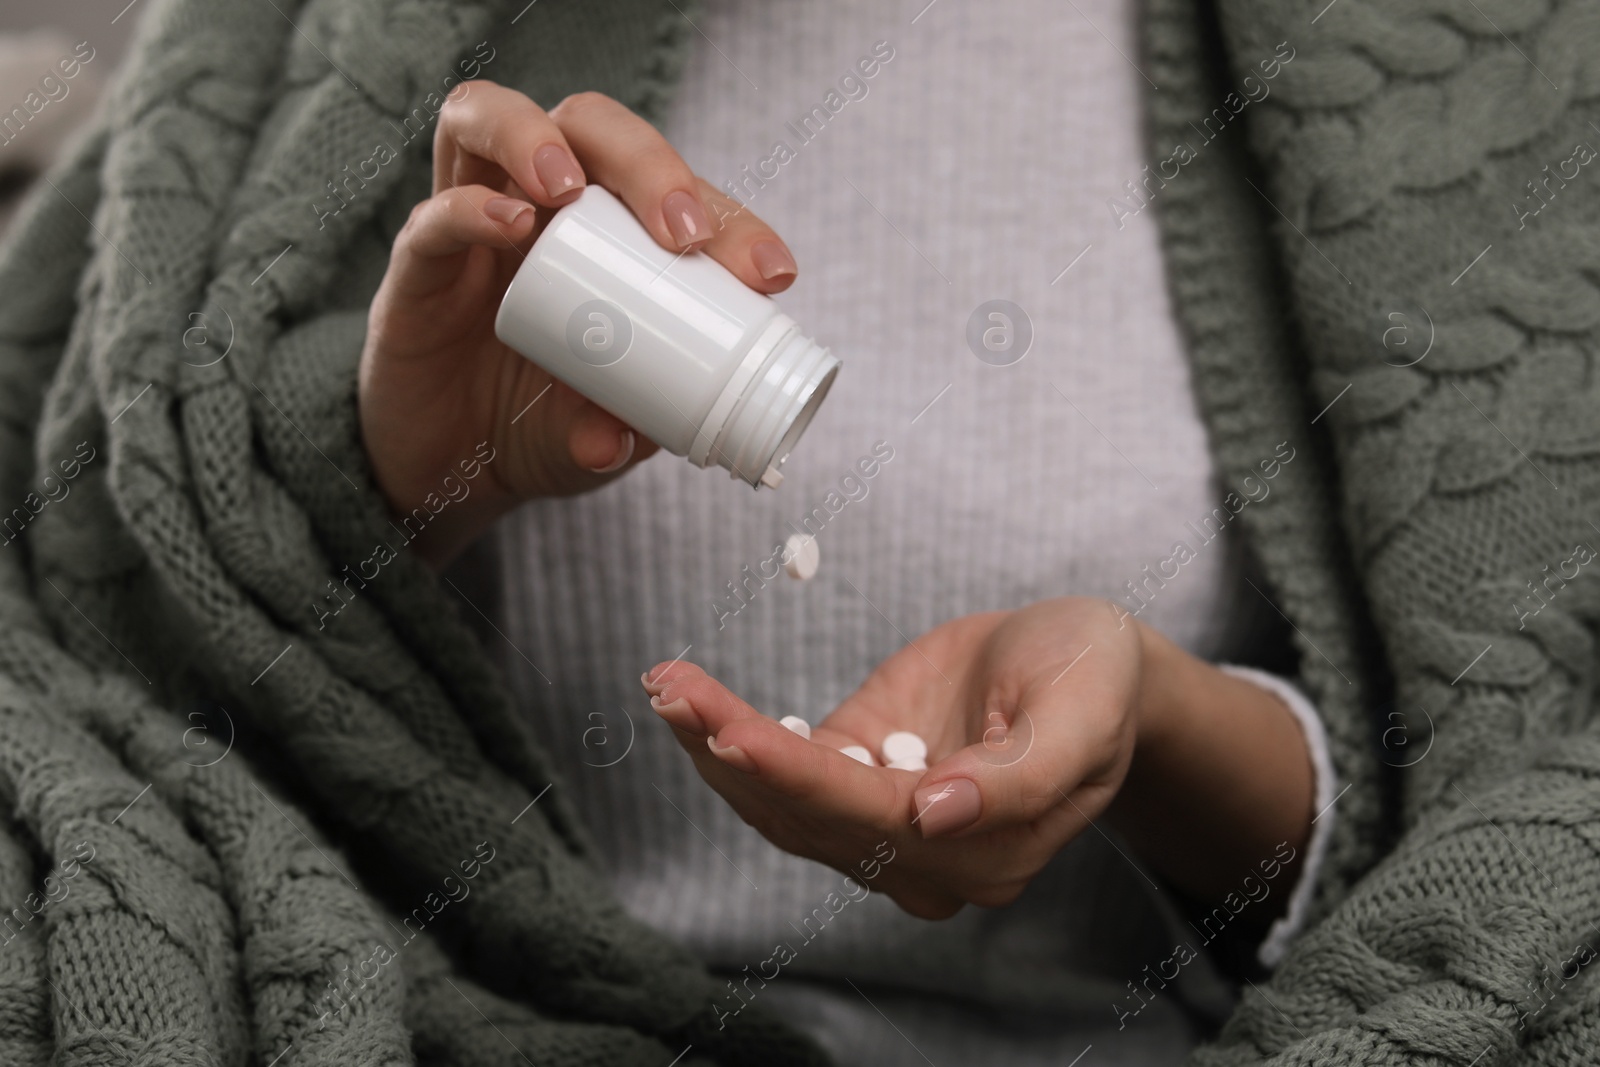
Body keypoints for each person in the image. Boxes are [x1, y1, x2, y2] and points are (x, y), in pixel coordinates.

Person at [357, 5, 1333, 1062]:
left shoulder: (1375, 68)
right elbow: (191, 720)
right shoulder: (344, 51)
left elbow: (1476, 811)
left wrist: (1150, 718)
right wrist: (405, 490)